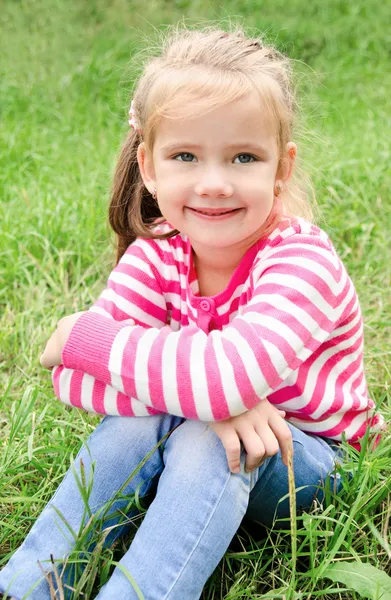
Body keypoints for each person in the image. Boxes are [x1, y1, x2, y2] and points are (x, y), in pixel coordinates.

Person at [0, 25, 384, 600]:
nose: (213, 183)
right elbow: (78, 383)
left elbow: (183, 374)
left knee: (206, 430)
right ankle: (33, 586)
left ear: (281, 167)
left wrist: (84, 336)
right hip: (208, 431)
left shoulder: (302, 259)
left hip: (318, 468)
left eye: (244, 157)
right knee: (163, 420)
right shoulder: (155, 254)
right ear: (149, 167)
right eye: (185, 155)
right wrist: (204, 395)